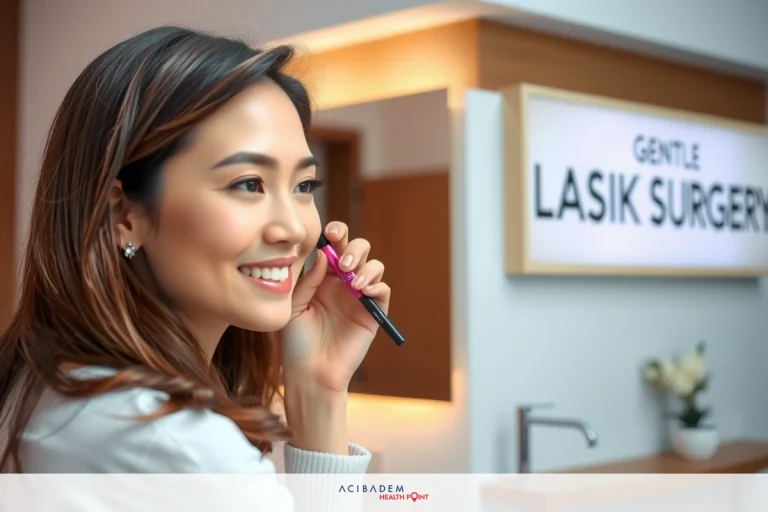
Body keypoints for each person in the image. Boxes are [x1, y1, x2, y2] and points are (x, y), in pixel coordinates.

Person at [0, 25, 390, 494]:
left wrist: (318, 389)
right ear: (123, 214)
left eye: (303, 186)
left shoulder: (41, 383)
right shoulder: (179, 445)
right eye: (249, 184)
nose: (293, 228)